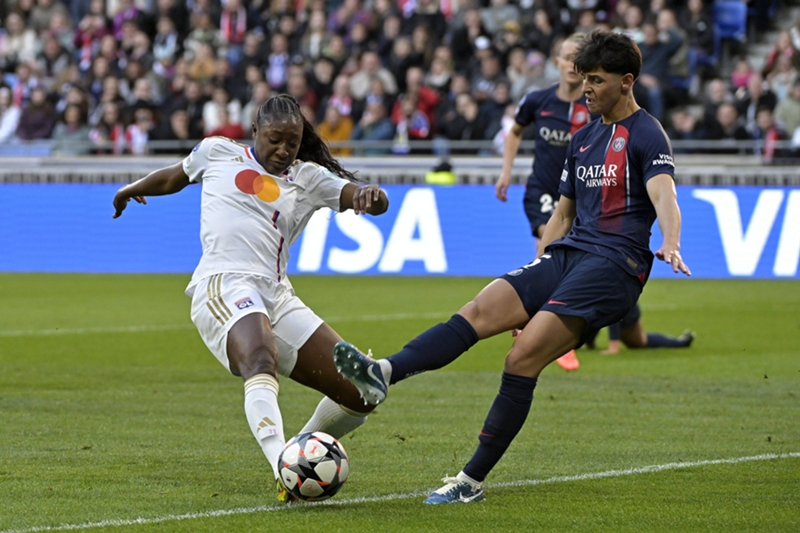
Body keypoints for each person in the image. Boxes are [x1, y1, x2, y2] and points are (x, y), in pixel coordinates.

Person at [333, 31, 691, 504]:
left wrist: (670, 241)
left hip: (614, 266)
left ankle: (469, 482)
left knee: (520, 361)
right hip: (567, 256)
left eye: (597, 81)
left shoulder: (647, 133)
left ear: (627, 82)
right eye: (584, 79)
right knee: (479, 310)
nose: (586, 89)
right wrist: (538, 272)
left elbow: (664, 191)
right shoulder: (583, 137)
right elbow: (562, 215)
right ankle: (383, 372)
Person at [112, 94, 389, 503]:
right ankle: (284, 469)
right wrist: (129, 189)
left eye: (292, 143)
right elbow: (175, 176)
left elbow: (360, 195)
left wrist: (372, 195)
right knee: (260, 359)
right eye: (275, 139)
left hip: (277, 295)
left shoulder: (308, 179)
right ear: (255, 131)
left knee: (364, 390)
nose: (283, 150)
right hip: (223, 285)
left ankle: (297, 452)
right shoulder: (217, 152)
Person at [494, 33, 591, 372]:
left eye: (579, 58)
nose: (572, 64)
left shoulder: (594, 105)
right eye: (567, 57)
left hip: (579, 197)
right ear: (557, 62)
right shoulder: (538, 100)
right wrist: (506, 172)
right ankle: (548, 332)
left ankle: (534, 317)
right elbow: (515, 131)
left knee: (564, 259)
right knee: (549, 247)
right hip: (542, 192)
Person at [584, 302, 694, 355]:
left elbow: (615, 309)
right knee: (595, 312)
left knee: (639, 341)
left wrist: (614, 346)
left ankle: (681, 343)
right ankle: (589, 341)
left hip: (626, 306)